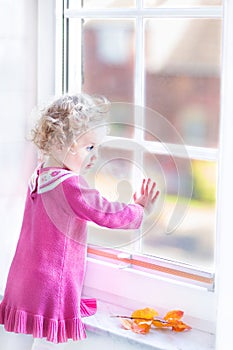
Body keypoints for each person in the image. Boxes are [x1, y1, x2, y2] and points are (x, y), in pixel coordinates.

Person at [0, 93, 159, 350]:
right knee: (50, 345)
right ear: (63, 144)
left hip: (28, 279)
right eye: (90, 147)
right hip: (52, 285)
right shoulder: (69, 185)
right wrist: (138, 210)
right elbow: (104, 212)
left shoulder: (39, 176)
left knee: (36, 343)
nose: (95, 156)